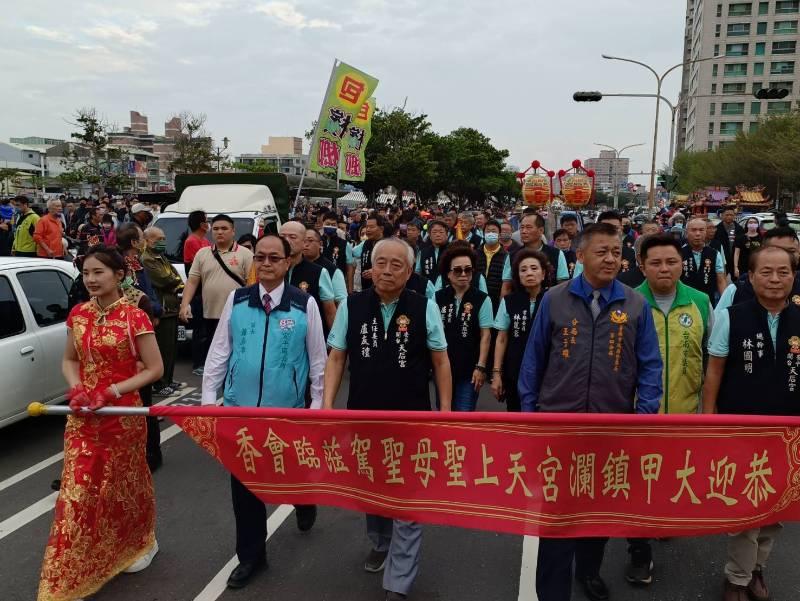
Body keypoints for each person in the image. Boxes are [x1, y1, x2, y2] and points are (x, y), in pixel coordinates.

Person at [519, 223, 663, 601]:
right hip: (558, 427)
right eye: (602, 251)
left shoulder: (635, 304)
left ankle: (588, 571)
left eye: (617, 252)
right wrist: (531, 413)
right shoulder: (554, 298)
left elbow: (650, 366)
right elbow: (533, 360)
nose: (612, 259)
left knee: (598, 510)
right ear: (580, 256)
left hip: (610, 426)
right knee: (557, 512)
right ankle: (552, 590)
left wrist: (642, 418)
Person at [323, 237, 452, 601]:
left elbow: (440, 360)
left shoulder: (424, 307)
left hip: (411, 420)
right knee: (371, 488)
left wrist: (444, 413)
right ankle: (379, 541)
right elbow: (336, 357)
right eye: (381, 262)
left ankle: (399, 581)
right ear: (370, 267)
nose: (388, 270)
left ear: (409, 272)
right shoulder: (352, 305)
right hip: (363, 417)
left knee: (407, 498)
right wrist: (327, 406)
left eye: (397, 265)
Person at [38, 245, 163, 601]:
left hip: (122, 417)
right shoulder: (78, 315)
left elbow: (155, 369)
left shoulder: (133, 316)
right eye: (87, 273)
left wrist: (111, 391)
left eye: (99, 273)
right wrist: (77, 388)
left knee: (124, 485)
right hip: (82, 417)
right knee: (77, 490)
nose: (91, 279)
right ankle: (71, 572)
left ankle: (141, 542)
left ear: (119, 275)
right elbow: (68, 360)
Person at [202, 234, 326, 590]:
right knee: (245, 486)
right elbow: (220, 351)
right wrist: (209, 400)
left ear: (288, 261)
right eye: (261, 257)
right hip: (240, 413)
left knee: (292, 468)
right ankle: (252, 556)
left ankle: (304, 499)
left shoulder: (304, 305)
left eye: (275, 258)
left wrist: (316, 407)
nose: (267, 263)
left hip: (288, 414)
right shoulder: (237, 300)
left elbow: (318, 362)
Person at [702, 245, 800, 601]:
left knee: (777, 506)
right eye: (766, 272)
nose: (775, 279)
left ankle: (757, 568)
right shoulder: (732, 315)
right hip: (741, 431)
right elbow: (713, 372)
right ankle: (737, 578)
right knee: (744, 504)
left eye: (784, 272)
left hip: (789, 434)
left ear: (793, 275)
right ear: (751, 276)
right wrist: (709, 421)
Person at [179, 214, 253, 366]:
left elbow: (252, 285)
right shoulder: (202, 254)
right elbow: (192, 281)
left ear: (233, 231)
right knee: (215, 356)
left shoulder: (246, 254)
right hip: (210, 314)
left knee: (237, 354)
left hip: (237, 314)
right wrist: (185, 304)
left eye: (224, 228)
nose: (220, 232)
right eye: (216, 229)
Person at [434, 244, 493, 411]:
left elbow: (486, 335)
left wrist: (480, 367)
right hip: (443, 367)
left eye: (468, 270)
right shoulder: (437, 298)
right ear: (448, 273)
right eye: (457, 270)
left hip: (470, 371)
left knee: (464, 414)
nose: (463, 274)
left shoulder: (482, 299)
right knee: (442, 413)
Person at [491, 249, 548, 412]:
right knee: (516, 416)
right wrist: (496, 374)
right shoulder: (509, 301)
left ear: (543, 274)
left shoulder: (552, 299)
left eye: (534, 268)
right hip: (515, 370)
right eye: (523, 270)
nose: (529, 273)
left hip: (546, 372)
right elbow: (501, 338)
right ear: (518, 276)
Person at [142, 227, 185, 397]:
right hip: (162, 309)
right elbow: (164, 280)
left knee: (172, 348)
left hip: (172, 308)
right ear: (148, 240)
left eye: (164, 238)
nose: (162, 242)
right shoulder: (147, 259)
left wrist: (174, 282)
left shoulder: (161, 257)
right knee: (163, 348)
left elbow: (176, 277)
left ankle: (168, 379)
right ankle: (160, 384)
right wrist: (174, 282)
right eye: (158, 239)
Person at [280, 221, 337, 330]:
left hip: (309, 335)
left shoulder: (319, 272)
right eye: (282, 237)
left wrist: (333, 342)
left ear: (304, 242)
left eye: (292, 237)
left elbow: (330, 311)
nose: (286, 241)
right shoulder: (273, 270)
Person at [182, 210, 212, 375]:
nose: (209, 224)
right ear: (202, 224)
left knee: (207, 329)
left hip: (208, 290)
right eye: (207, 221)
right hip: (199, 290)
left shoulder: (205, 240)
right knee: (200, 329)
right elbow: (196, 270)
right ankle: (198, 363)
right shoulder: (191, 241)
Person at [517, 213, 569, 289]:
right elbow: (507, 286)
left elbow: (562, 285)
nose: (524, 231)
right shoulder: (513, 255)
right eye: (522, 227)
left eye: (528, 227)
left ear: (541, 230)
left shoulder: (556, 254)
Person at [681, 217, 727, 302]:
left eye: (701, 230)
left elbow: (721, 280)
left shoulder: (715, 254)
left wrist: (724, 301)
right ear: (687, 233)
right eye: (693, 230)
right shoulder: (679, 253)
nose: (697, 234)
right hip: (684, 301)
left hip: (708, 300)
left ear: (706, 232)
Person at [303, 227, 347, 305]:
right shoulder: (294, 266)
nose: (306, 244)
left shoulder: (332, 270)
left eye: (310, 240)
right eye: (303, 241)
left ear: (320, 244)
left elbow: (342, 302)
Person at [475, 219, 511, 312]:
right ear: (483, 234)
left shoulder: (506, 256)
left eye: (494, 231)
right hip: (477, 297)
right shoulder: (475, 254)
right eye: (488, 231)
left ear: (499, 234)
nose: (491, 233)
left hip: (496, 300)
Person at [321, 211, 355, 292]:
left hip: (337, 284)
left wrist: (350, 290)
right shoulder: (317, 241)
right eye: (328, 223)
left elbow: (350, 269)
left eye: (333, 225)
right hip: (319, 281)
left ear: (337, 226)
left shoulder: (345, 244)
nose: (330, 226)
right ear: (323, 223)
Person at [353, 214, 389, 290]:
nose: (368, 230)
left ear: (381, 229)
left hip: (382, 288)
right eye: (367, 227)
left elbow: (392, 267)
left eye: (372, 227)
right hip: (366, 288)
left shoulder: (388, 245)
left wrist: (376, 271)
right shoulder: (366, 243)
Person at [713, 206, 744, 278]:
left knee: (737, 283)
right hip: (721, 261)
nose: (729, 217)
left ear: (734, 216)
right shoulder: (717, 229)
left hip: (736, 261)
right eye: (727, 215)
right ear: (722, 215)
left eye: (731, 215)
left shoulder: (739, 229)